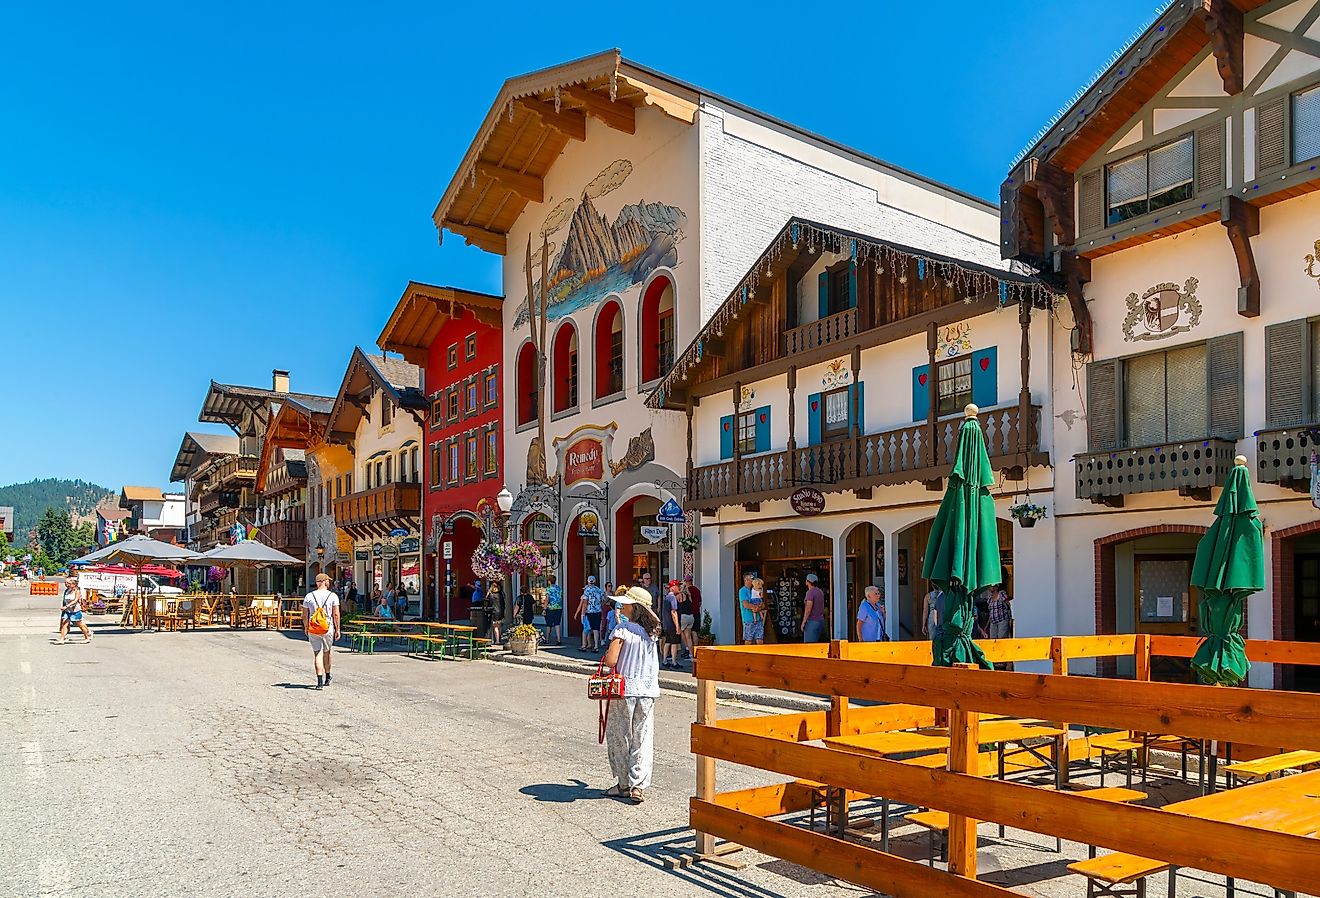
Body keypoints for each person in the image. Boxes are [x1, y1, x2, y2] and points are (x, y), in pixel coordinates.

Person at [599, 586, 661, 804]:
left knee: (619, 735)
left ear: (633, 607)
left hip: (624, 689)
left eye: (624, 603)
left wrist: (608, 652)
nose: (621, 606)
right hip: (647, 690)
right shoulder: (653, 632)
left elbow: (611, 661)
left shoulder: (622, 629)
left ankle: (623, 784)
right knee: (642, 736)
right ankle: (638, 785)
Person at [302, 572, 341, 690]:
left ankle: (319, 682)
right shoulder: (332, 596)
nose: (329, 582)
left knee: (317, 653)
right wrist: (338, 629)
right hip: (327, 627)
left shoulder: (309, 596)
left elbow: (304, 614)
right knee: (327, 652)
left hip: (314, 627)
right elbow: (336, 614)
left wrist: (306, 627)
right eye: (328, 581)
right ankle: (327, 677)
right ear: (323, 582)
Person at [57, 575, 92, 645]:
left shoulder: (77, 591)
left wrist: (66, 606)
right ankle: (62, 639)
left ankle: (87, 637)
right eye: (66, 583)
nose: (66, 585)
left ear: (73, 584)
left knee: (80, 625)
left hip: (75, 611)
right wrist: (64, 607)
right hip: (67, 611)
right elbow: (64, 600)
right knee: (64, 624)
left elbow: (75, 600)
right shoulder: (67, 591)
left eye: (68, 583)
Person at [660, 580, 683, 669]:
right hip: (672, 624)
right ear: (673, 587)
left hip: (666, 624)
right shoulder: (673, 598)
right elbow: (674, 612)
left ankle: (664, 660)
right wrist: (677, 626)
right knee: (674, 643)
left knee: (668, 641)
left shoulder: (666, 597)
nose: (679, 588)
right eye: (677, 586)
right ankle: (674, 662)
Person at [738, 572, 764, 645]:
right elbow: (745, 604)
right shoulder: (743, 591)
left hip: (758, 620)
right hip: (748, 620)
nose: (753, 581)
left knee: (760, 640)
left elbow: (763, 604)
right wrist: (756, 608)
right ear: (746, 580)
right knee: (748, 640)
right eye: (751, 579)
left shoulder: (755, 590)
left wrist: (760, 606)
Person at [800, 572, 826, 643]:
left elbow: (808, 609)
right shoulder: (820, 592)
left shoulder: (810, 593)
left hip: (812, 622)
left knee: (809, 646)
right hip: (820, 621)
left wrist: (803, 622)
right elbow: (822, 606)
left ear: (808, 582)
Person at [583, 575, 605, 652]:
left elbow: (585, 603)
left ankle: (584, 645)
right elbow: (603, 601)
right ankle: (596, 646)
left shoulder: (587, 590)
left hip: (589, 612)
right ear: (595, 581)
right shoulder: (599, 590)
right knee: (596, 629)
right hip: (598, 612)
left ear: (588, 581)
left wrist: (583, 613)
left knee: (587, 628)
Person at [677, 579, 696, 661]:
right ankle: (691, 654)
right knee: (689, 637)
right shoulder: (688, 595)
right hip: (691, 616)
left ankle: (688, 649)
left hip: (684, 616)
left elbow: (676, 606)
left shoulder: (680, 595)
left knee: (683, 635)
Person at [543, 574, 563, 646]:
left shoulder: (549, 589)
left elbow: (547, 599)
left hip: (550, 608)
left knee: (549, 624)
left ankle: (547, 639)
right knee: (557, 624)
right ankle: (558, 639)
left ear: (549, 581)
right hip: (558, 608)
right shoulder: (559, 588)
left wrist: (544, 609)